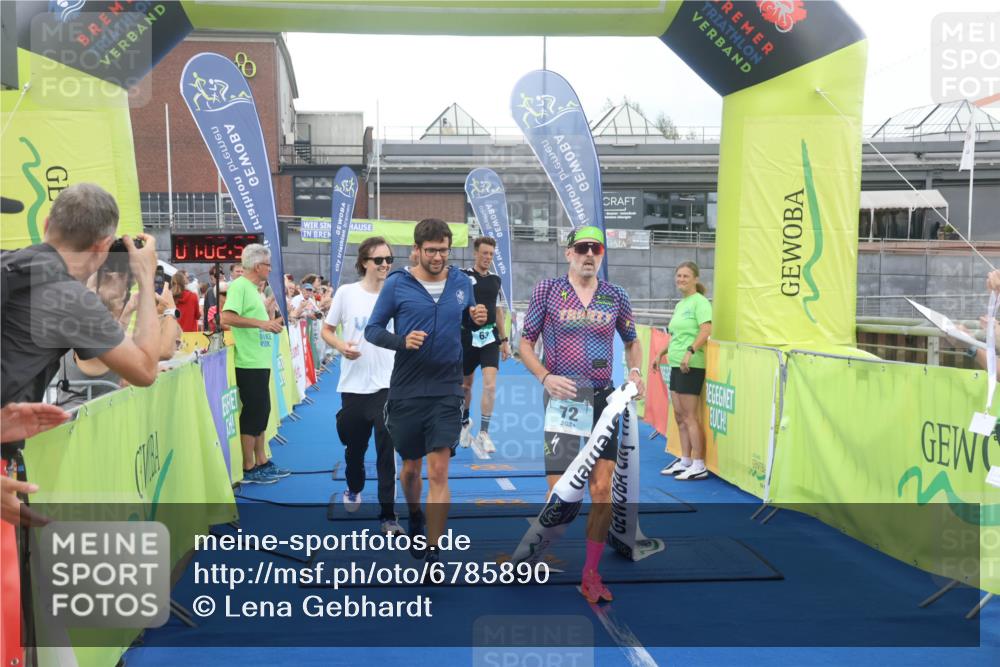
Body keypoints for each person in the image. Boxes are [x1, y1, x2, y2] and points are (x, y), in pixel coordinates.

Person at [518, 225, 645, 604]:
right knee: (561, 495)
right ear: (569, 253)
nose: (589, 254)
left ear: (601, 255)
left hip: (604, 400)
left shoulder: (615, 295)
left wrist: (635, 371)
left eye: (596, 249)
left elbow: (633, 341)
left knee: (601, 489)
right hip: (565, 399)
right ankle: (536, 554)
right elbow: (525, 344)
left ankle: (591, 572)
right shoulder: (548, 290)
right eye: (583, 248)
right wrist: (545, 377)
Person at [365, 219, 486, 567]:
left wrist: (476, 319)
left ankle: (433, 550)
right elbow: (373, 330)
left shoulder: (461, 282)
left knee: (438, 471)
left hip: (447, 388)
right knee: (410, 470)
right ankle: (415, 513)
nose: (437, 257)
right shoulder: (397, 284)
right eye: (431, 250)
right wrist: (401, 341)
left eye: (443, 250)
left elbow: (468, 321)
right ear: (416, 250)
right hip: (407, 389)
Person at [322, 236, 401, 535]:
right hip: (354, 386)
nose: (385, 265)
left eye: (389, 259)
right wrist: (341, 346)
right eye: (379, 260)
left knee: (386, 452)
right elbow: (327, 330)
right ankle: (354, 486)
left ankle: (388, 516)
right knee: (355, 449)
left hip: (388, 386)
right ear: (364, 262)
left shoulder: (396, 295)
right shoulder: (347, 293)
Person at [221, 244, 290, 484]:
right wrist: (262, 324)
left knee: (262, 412)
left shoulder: (253, 289)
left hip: (259, 359)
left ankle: (261, 461)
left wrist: (270, 321)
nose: (270, 269)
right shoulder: (239, 286)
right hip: (248, 361)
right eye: (268, 265)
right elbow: (226, 317)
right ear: (258, 266)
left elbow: (257, 321)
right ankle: (249, 466)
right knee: (253, 414)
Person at [655, 261, 712, 481]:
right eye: (679, 276)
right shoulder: (681, 304)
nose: (681, 279)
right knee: (679, 416)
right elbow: (676, 336)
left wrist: (690, 351)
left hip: (691, 365)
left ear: (696, 279)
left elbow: (706, 330)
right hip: (676, 364)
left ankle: (699, 464)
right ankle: (685, 459)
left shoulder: (700, 302)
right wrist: (660, 353)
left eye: (686, 276)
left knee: (690, 416)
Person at [459, 236, 510, 454]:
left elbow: (498, 311)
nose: (488, 257)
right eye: (484, 253)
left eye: (491, 254)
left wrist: (504, 340)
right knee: (466, 386)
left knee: (490, 385)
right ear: (475, 253)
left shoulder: (496, 280)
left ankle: (484, 433)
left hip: (489, 337)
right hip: (467, 337)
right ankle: (464, 422)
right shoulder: (463, 276)